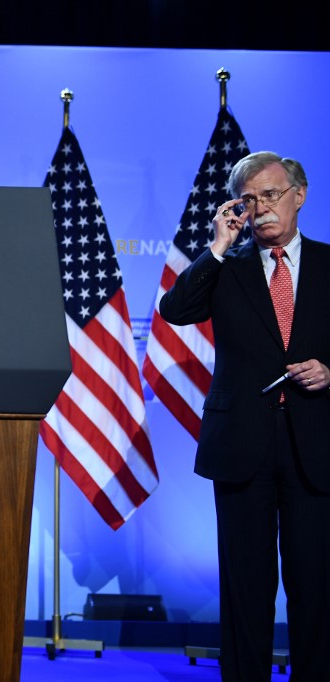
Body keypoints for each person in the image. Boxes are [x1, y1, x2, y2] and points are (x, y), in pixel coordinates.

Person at [160, 151, 330, 681]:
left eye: (272, 195)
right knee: (246, 589)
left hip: (315, 445)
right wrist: (217, 244)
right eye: (250, 200)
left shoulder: (328, 264)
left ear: (299, 196)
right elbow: (174, 310)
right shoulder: (225, 269)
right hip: (241, 448)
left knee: (316, 586)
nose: (261, 208)